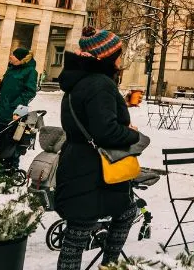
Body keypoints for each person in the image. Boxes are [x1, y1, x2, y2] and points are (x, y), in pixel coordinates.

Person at [55, 28, 140, 270]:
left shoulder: (77, 81)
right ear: (108, 57)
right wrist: (132, 133)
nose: (122, 59)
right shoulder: (100, 84)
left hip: (75, 161)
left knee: (77, 231)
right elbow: (106, 132)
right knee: (123, 213)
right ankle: (110, 265)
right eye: (119, 54)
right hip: (97, 168)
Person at [0, 47, 39, 122]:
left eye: (13, 55)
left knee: (9, 131)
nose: (10, 56)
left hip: (15, 110)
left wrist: (15, 105)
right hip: (0, 107)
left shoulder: (31, 71)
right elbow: (6, 88)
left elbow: (30, 92)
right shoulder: (10, 69)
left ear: (19, 58)